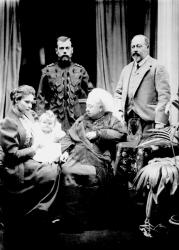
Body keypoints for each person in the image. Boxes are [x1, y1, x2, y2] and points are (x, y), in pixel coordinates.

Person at [0, 85, 61, 222]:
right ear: (16, 100)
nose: (30, 106)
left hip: (32, 156)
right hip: (16, 165)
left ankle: (44, 211)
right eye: (26, 102)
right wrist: (34, 148)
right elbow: (12, 155)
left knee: (56, 165)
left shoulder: (28, 115)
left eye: (31, 102)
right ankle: (38, 214)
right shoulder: (8, 122)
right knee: (51, 172)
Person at [60, 87, 127, 188]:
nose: (87, 109)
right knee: (64, 172)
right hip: (76, 157)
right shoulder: (82, 119)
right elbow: (69, 136)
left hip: (96, 160)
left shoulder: (111, 120)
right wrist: (66, 151)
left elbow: (121, 134)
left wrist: (98, 133)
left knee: (89, 177)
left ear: (100, 108)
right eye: (87, 106)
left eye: (91, 107)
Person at [114, 34, 171, 141]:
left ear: (147, 47)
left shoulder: (157, 67)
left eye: (139, 46)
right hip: (130, 123)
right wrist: (119, 113)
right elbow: (118, 93)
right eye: (133, 47)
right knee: (131, 154)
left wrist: (160, 123)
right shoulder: (126, 69)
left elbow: (164, 97)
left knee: (146, 153)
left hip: (149, 123)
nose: (135, 50)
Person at [36, 35, 94, 132]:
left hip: (76, 119)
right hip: (54, 119)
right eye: (61, 48)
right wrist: (41, 117)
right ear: (56, 51)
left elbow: (91, 94)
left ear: (72, 50)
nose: (64, 51)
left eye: (67, 48)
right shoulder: (47, 71)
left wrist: (89, 116)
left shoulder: (81, 70)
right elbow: (41, 96)